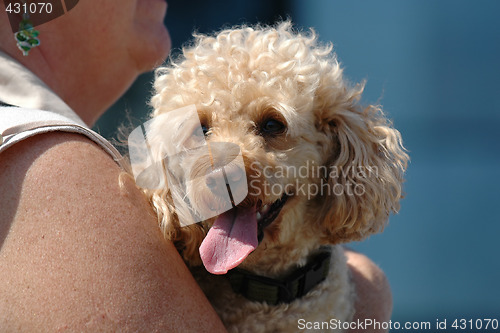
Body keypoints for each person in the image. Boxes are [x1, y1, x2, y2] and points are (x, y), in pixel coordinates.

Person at [0, 1, 391, 331]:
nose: (221, 162)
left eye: (271, 126)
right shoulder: (38, 152)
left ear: (332, 141)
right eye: (200, 130)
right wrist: (370, 303)